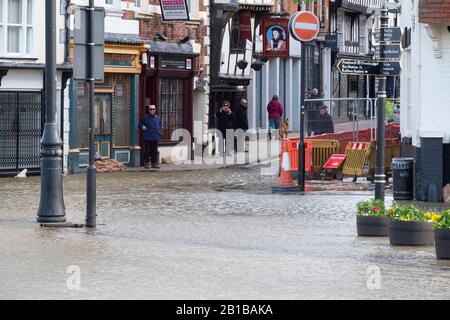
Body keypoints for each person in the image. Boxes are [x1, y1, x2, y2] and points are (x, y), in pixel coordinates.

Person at [138, 105, 163, 169]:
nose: (152, 110)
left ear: (155, 110)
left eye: (153, 109)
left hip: (155, 137)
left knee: (154, 151)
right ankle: (146, 163)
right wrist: (142, 126)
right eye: (151, 109)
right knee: (147, 151)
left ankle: (154, 163)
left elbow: (160, 126)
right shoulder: (145, 117)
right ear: (148, 110)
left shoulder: (158, 118)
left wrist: (159, 133)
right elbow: (140, 124)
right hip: (148, 137)